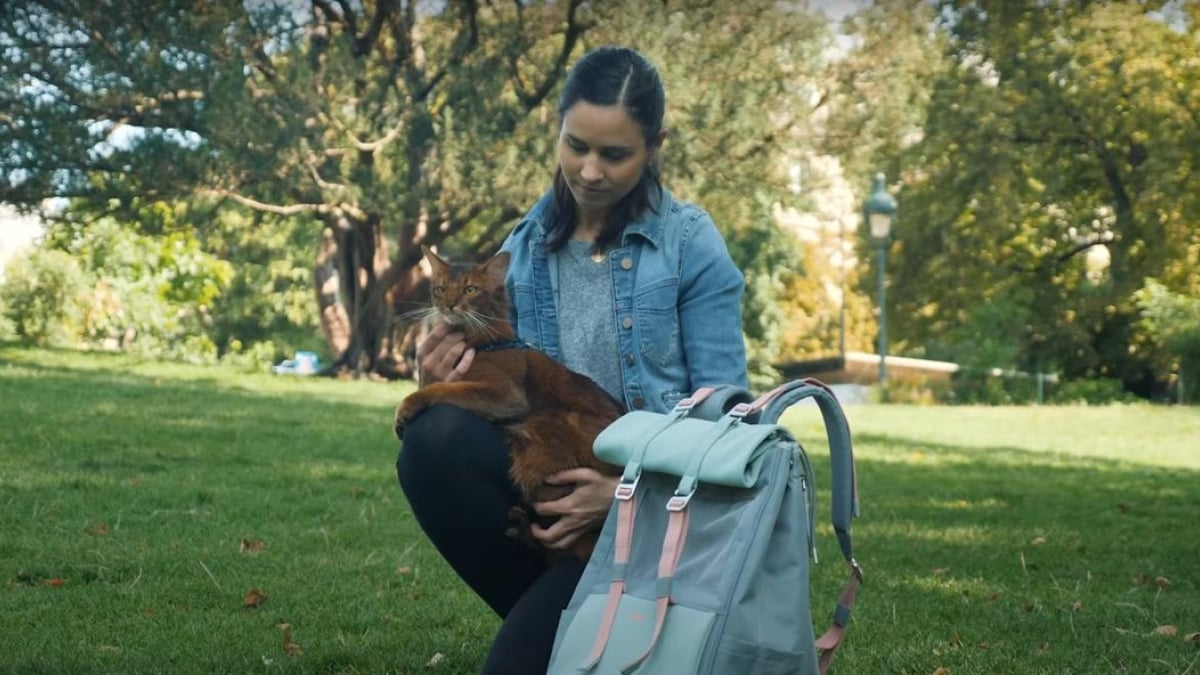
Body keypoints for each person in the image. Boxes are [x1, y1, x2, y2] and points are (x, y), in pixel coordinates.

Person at [396, 45, 748, 674]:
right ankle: (591, 626)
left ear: (655, 144)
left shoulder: (691, 246)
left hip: (654, 523)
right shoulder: (521, 253)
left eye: (615, 154)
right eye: (575, 145)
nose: (589, 171)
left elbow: (731, 425)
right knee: (432, 439)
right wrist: (445, 378)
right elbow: (509, 394)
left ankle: (599, 626)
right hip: (555, 506)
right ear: (556, 130)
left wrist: (625, 496)